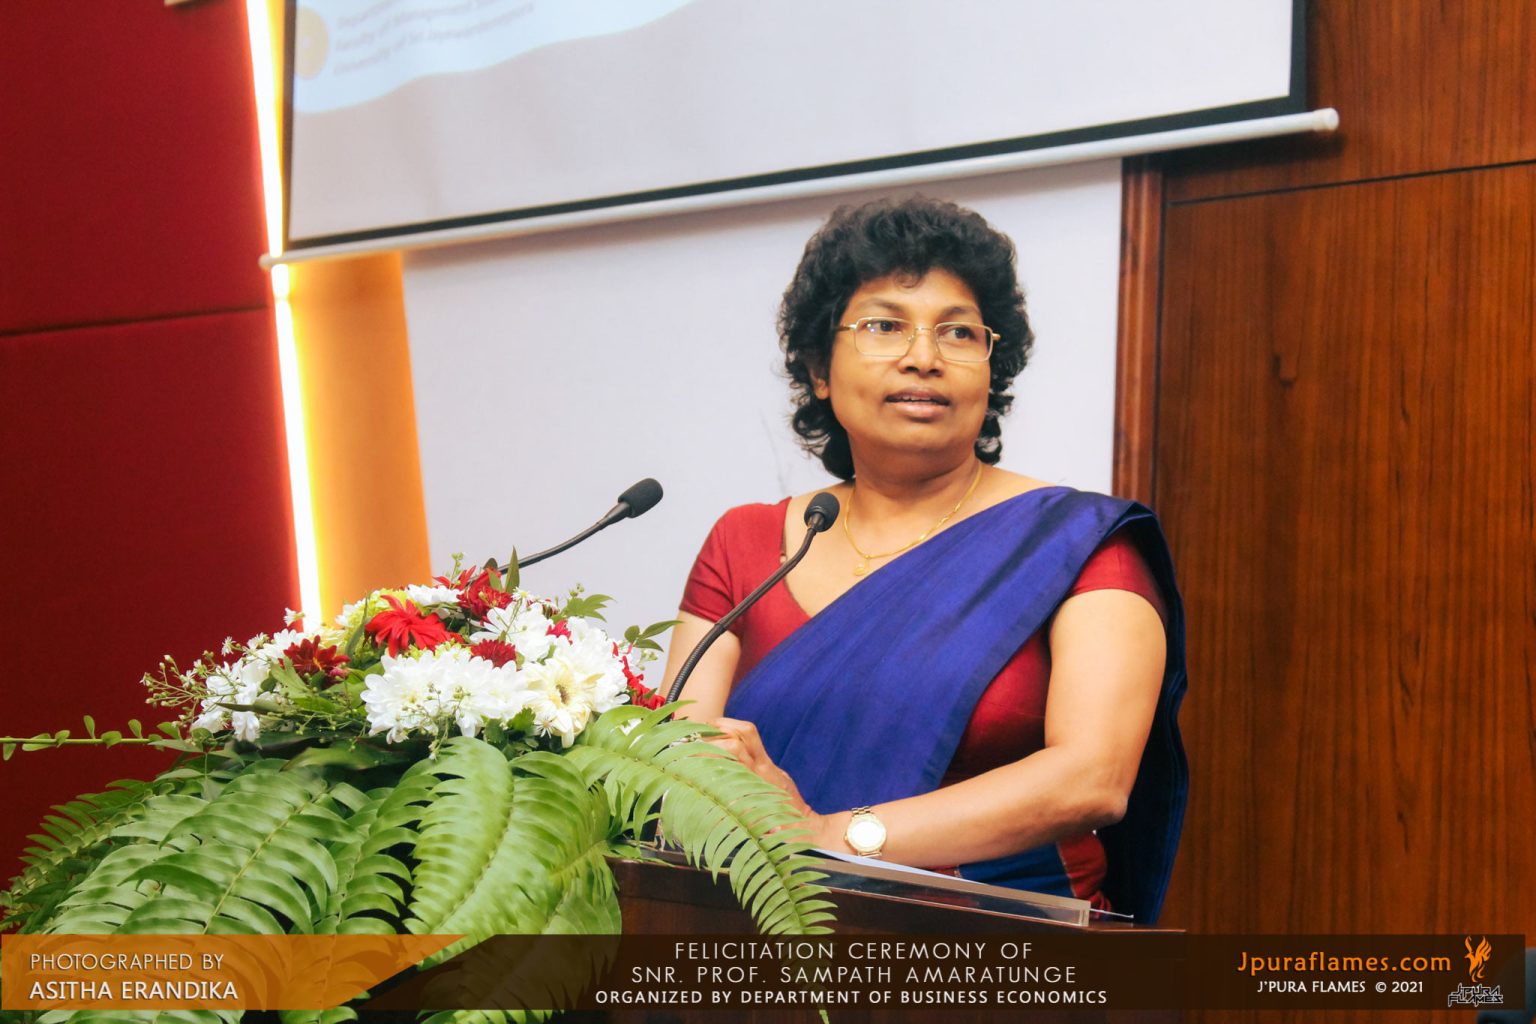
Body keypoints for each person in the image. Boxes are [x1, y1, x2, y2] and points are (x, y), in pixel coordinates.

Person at [661, 196, 1187, 923]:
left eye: (958, 332)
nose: (924, 357)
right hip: (769, 941)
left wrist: (830, 839)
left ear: (990, 370)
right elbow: (676, 766)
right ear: (819, 368)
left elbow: (1091, 779)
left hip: (1008, 950)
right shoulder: (747, 541)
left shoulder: (1079, 541)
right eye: (884, 325)